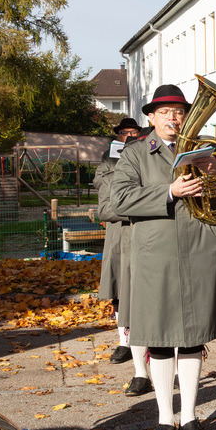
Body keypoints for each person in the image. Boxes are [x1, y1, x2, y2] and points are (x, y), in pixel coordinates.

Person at [110, 84, 216, 430]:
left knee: (193, 337)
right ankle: (164, 421)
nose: (173, 118)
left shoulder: (205, 145)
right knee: (159, 341)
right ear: (151, 118)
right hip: (156, 257)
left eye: (178, 111)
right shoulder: (135, 153)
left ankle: (189, 417)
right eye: (164, 112)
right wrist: (170, 192)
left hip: (201, 251)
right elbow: (120, 199)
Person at [96, 118, 152, 395]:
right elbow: (106, 208)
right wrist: (151, 203)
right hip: (122, 237)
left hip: (152, 237)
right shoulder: (109, 163)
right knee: (123, 294)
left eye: (134, 132)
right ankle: (127, 346)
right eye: (124, 133)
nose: (130, 136)